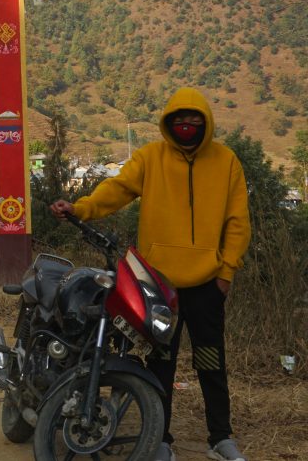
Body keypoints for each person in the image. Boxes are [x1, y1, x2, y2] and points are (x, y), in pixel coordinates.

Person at [50, 88, 251, 461]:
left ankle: (220, 439)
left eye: (194, 120)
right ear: (168, 123)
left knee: (210, 361)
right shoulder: (150, 158)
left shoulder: (227, 162)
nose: (186, 126)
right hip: (158, 286)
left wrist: (225, 273)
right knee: (160, 365)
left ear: (205, 123)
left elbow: (237, 222)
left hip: (207, 286)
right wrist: (81, 208)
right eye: (179, 120)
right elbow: (117, 190)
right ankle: (161, 440)